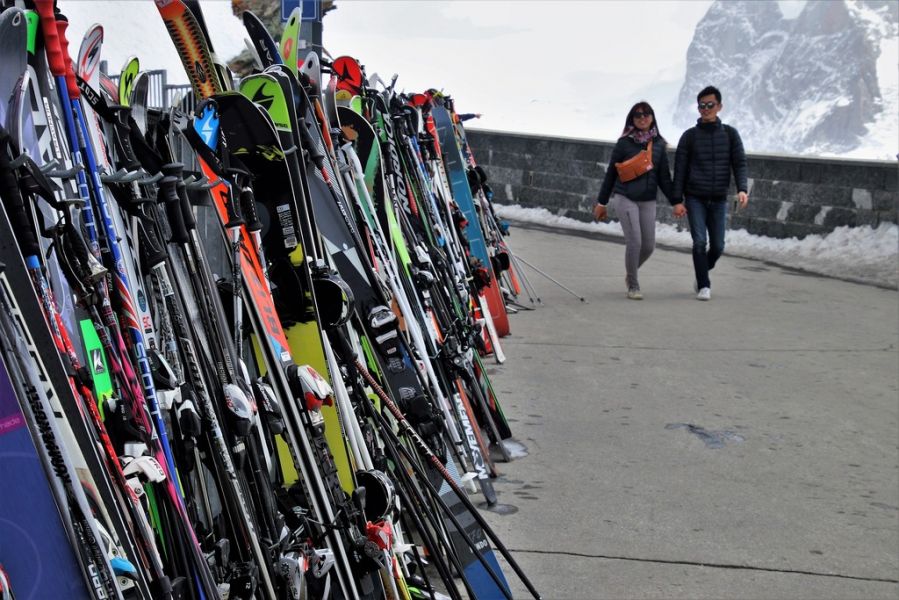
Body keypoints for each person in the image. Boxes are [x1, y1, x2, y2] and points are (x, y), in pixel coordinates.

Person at [594, 101, 685, 300]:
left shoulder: (659, 145)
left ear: (652, 118)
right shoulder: (624, 143)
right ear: (632, 120)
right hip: (625, 196)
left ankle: (630, 273)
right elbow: (611, 174)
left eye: (646, 114)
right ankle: (633, 285)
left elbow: (664, 178)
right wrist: (602, 203)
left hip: (648, 200)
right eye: (637, 115)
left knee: (648, 246)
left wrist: (676, 202)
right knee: (634, 241)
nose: (642, 118)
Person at [672, 85, 749, 301]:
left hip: (718, 199)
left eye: (710, 105)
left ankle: (702, 271)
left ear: (719, 107)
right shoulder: (689, 137)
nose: (705, 109)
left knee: (718, 246)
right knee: (699, 242)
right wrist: (677, 200)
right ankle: (704, 285)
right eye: (702, 105)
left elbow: (739, 163)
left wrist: (742, 189)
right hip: (695, 197)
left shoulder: (730, 134)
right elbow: (679, 171)